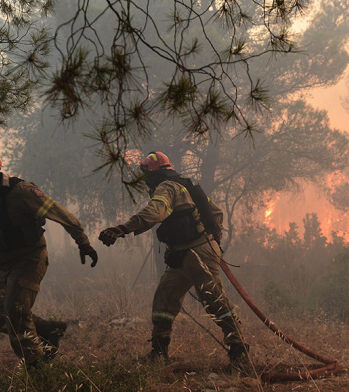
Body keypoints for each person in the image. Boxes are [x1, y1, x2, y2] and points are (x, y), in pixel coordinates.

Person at [0, 145, 98, 366]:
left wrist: (84, 244)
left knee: (16, 313)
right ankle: (48, 330)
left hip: (30, 258)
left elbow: (60, 214)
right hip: (1, 264)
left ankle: (37, 369)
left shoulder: (21, 191)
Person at [98, 151, 250, 371]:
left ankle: (240, 354)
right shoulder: (186, 185)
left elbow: (153, 213)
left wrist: (122, 229)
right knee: (164, 298)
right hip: (184, 254)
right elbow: (216, 213)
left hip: (197, 253)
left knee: (215, 300)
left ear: (153, 171)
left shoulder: (167, 187)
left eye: (145, 173)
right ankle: (158, 355)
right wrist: (214, 242)